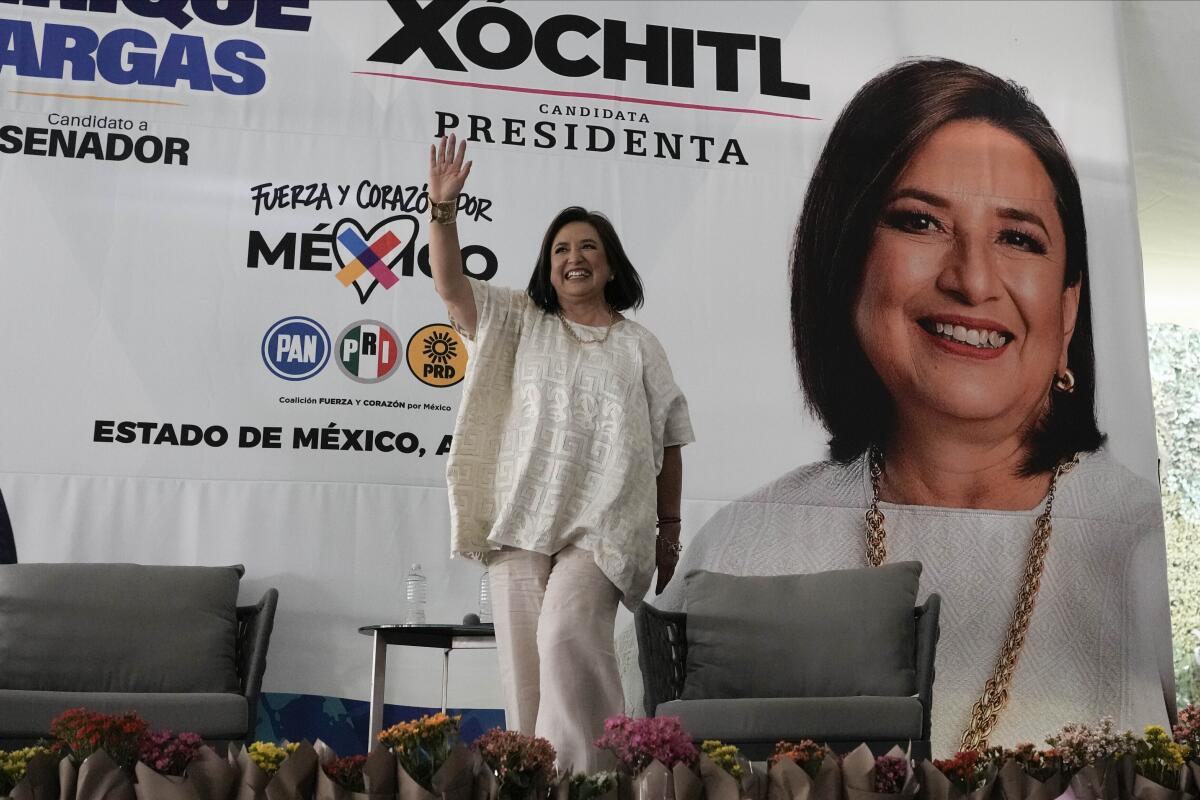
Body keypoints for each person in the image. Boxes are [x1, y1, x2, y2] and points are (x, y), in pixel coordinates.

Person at [652, 58, 1173, 755]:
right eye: (921, 222)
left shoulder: (1138, 541)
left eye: (1018, 238)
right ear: (846, 258)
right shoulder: (749, 542)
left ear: (1069, 308)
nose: (972, 280)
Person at [426, 134, 694, 771]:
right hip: (522, 519)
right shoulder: (519, 319)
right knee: (524, 674)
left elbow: (669, 443)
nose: (573, 258)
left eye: (588, 247)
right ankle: (531, 782)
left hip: (604, 529)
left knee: (566, 634)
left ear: (610, 264)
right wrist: (442, 211)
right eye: (560, 249)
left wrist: (669, 533)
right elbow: (449, 286)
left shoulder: (640, 346)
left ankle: (596, 779)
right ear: (548, 267)